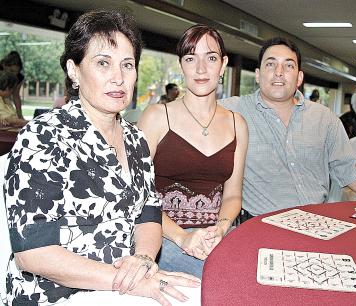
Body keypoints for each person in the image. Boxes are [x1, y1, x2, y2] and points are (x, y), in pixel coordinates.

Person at [4, 10, 199, 306]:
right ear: (74, 70)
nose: (118, 78)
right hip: (56, 295)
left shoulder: (135, 140)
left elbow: (148, 214)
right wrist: (130, 283)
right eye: (103, 63)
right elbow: (34, 253)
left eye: (127, 65)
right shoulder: (43, 137)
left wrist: (144, 259)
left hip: (124, 286)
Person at [220, 36, 356, 221]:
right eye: (270, 64)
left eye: (288, 65)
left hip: (318, 223)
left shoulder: (324, 118)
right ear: (258, 74)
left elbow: (350, 169)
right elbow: (192, 110)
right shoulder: (232, 111)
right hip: (260, 226)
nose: (279, 72)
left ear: (299, 77)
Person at [138, 24, 248, 278]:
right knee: (221, 279)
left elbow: (232, 196)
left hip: (216, 236)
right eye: (191, 58)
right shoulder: (157, 117)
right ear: (181, 65)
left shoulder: (237, 124)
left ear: (223, 65)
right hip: (164, 235)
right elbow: (137, 194)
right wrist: (182, 236)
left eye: (210, 58)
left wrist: (220, 228)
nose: (201, 69)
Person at [0, 51, 25, 119]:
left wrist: (20, 116)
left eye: (17, 72)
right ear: (4, 65)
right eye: (11, 71)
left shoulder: (19, 78)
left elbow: (16, 96)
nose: (14, 74)